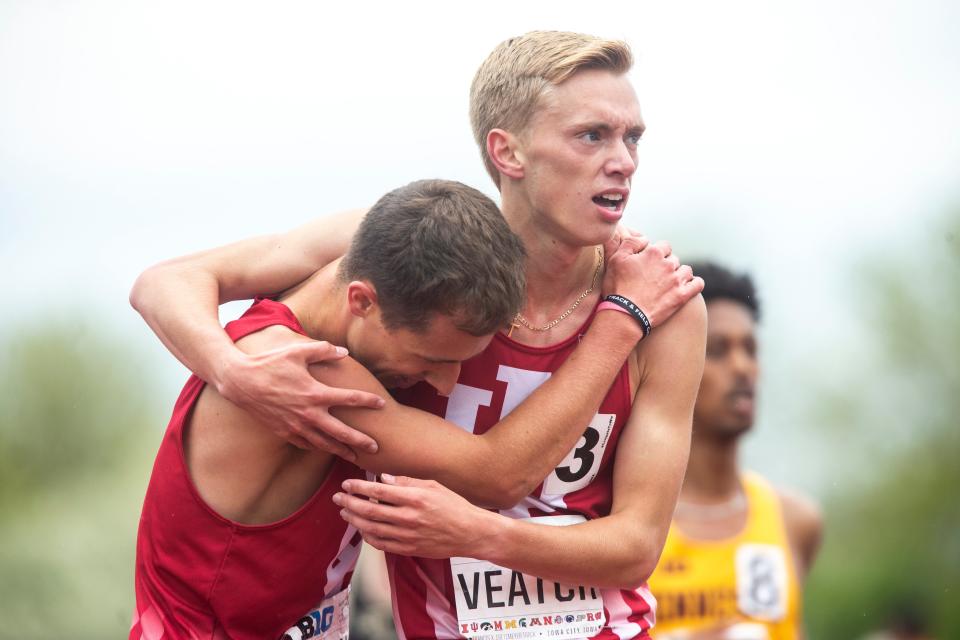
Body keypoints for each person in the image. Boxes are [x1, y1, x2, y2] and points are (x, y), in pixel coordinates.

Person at [130, 31, 707, 639]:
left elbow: (639, 546)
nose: (624, 159)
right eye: (592, 135)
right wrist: (232, 370)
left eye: (632, 137)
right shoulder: (379, 263)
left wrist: (484, 534)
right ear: (508, 152)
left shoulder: (663, 306)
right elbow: (167, 279)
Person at [645, 262, 823, 640]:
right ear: (671, 364)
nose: (743, 367)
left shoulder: (795, 520)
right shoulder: (630, 522)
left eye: (751, 349)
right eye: (718, 350)